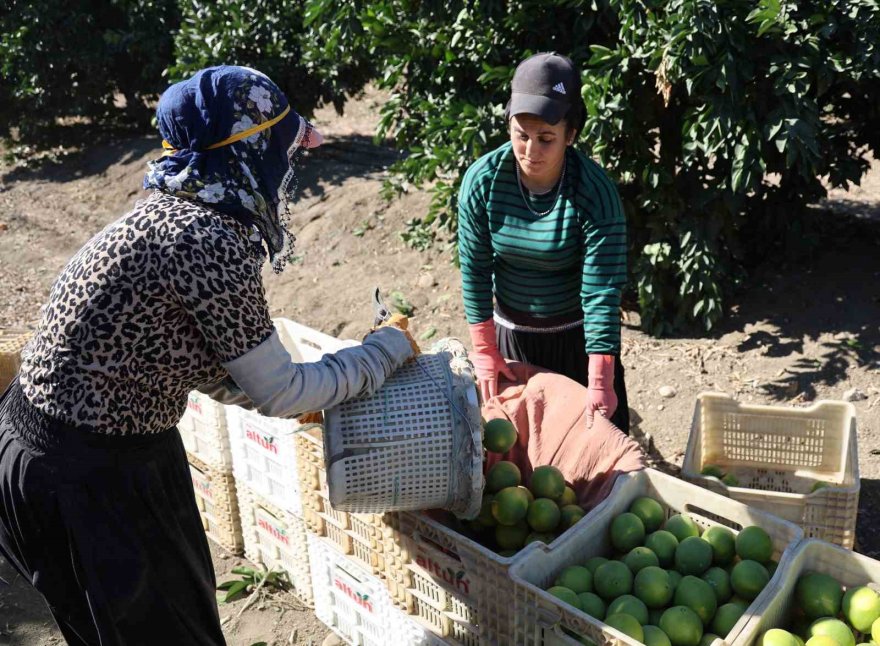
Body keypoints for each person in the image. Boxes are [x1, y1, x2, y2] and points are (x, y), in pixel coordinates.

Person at [0, 65, 414, 645]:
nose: (289, 166)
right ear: (247, 150)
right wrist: (382, 352)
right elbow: (281, 391)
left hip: (75, 450)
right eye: (281, 145)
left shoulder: (173, 213)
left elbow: (194, 359)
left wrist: (325, 383)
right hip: (85, 476)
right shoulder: (206, 240)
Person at [458, 52, 630, 433]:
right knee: (517, 453)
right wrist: (485, 349)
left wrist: (600, 378)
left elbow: (602, 291)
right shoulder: (482, 182)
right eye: (521, 135)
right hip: (512, 339)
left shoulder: (594, 193)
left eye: (546, 139)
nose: (531, 151)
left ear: (571, 134)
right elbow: (474, 268)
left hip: (576, 340)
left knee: (597, 451)